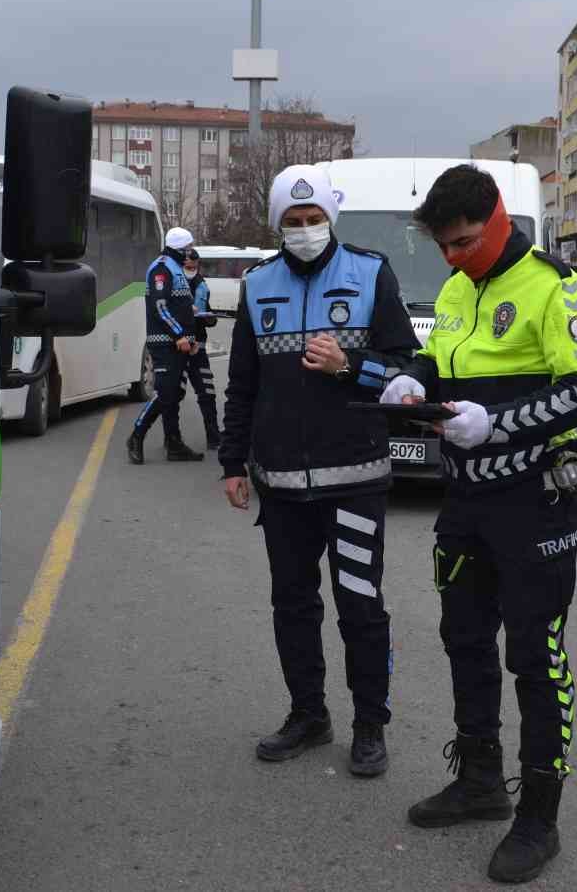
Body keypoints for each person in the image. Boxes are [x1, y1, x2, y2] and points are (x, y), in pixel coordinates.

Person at [381, 164, 577, 885]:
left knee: (536, 660)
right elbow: (445, 366)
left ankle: (538, 818)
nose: (454, 257)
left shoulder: (557, 287)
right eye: (443, 246)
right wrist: (417, 377)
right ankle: (479, 780)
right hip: (465, 503)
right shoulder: (454, 290)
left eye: (466, 242)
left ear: (501, 217)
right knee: (464, 640)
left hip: (534, 503)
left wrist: (502, 423)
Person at [220, 163, 418, 777]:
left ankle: (369, 724)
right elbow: (242, 384)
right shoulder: (257, 285)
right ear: (278, 224)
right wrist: (233, 462)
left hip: (354, 478)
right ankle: (309, 714)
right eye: (293, 221)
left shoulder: (370, 271)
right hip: (280, 485)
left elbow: (405, 368)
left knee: (360, 604)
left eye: (314, 220)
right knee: (293, 605)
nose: (304, 229)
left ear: (330, 219)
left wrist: (348, 364)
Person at [127, 226, 206, 465]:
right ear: (178, 248)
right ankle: (136, 436)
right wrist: (180, 335)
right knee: (166, 393)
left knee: (174, 394)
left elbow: (177, 305)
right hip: (165, 343)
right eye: (187, 248)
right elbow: (160, 307)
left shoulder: (175, 269)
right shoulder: (162, 268)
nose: (190, 253)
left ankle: (174, 443)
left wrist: (190, 336)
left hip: (179, 343)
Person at [182, 247, 221, 449]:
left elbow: (207, 310)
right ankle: (171, 439)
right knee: (170, 395)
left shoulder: (201, 283)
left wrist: (210, 317)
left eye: (194, 266)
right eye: (188, 266)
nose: (191, 269)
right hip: (178, 347)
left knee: (207, 392)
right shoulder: (174, 282)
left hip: (199, 347)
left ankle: (214, 438)